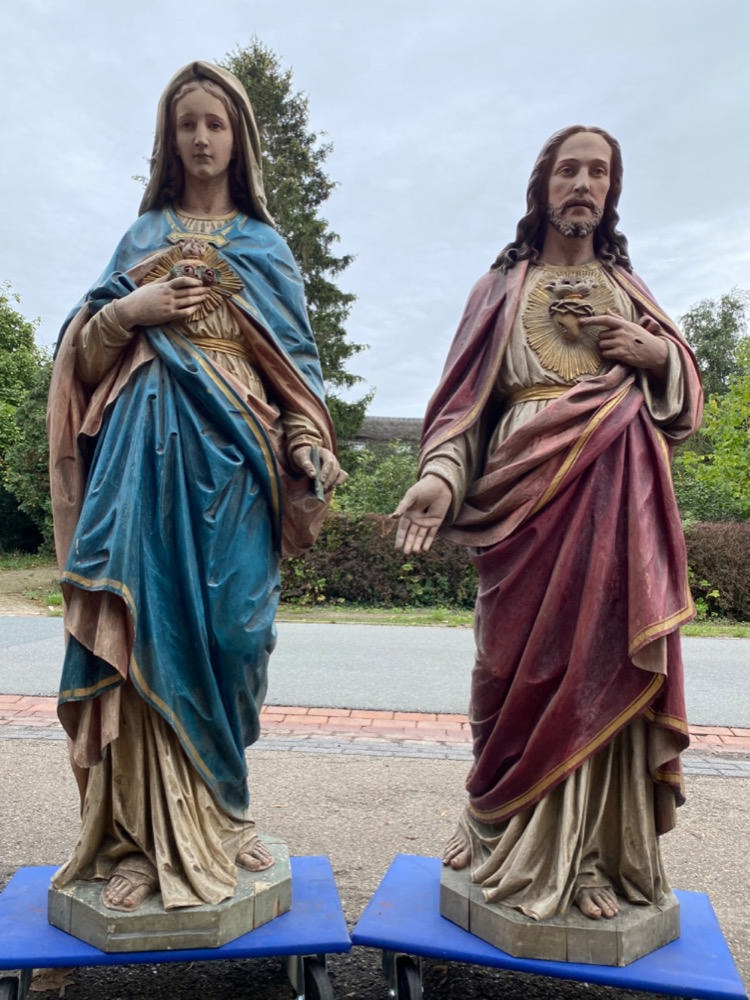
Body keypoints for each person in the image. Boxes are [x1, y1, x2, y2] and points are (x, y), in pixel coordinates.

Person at [47, 61, 346, 913]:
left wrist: (306, 443)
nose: (203, 138)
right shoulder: (139, 241)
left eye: (217, 123)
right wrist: (130, 313)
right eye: (189, 125)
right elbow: (83, 358)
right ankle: (139, 841)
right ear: (169, 140)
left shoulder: (264, 246)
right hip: (139, 467)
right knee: (142, 637)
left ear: (239, 138)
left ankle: (223, 811)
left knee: (234, 635)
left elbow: (295, 374)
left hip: (236, 464)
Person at [394, 126, 703, 922]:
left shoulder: (632, 293)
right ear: (542, 185)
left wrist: (656, 355)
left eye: (599, 171)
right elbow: (464, 408)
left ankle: (591, 855)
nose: (584, 182)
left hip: (616, 511)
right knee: (509, 671)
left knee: (602, 670)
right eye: (570, 168)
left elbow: (684, 405)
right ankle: (491, 817)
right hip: (521, 504)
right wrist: (436, 475)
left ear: (612, 191)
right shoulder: (500, 289)